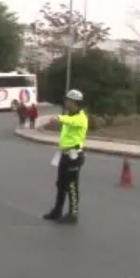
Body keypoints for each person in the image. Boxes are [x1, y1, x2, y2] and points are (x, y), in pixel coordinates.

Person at [42, 89, 88, 225]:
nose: (66, 102)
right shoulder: (70, 114)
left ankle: (73, 214)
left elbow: (71, 121)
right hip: (64, 154)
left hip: (74, 156)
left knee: (72, 186)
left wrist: (58, 118)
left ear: (74, 102)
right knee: (60, 184)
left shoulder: (81, 117)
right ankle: (57, 210)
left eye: (67, 100)